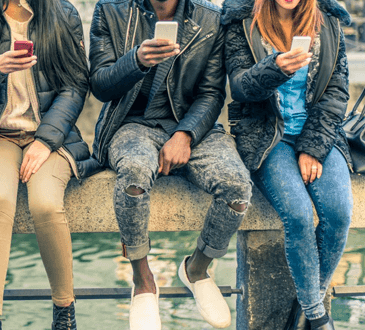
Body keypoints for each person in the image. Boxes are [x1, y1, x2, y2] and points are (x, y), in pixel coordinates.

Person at [86, 0, 253, 328]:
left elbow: (211, 94)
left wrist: (185, 134)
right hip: (130, 123)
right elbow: (100, 85)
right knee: (133, 175)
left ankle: (197, 268)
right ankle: (143, 278)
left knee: (237, 187)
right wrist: (135, 61)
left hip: (192, 125)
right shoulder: (111, 10)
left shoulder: (210, 17)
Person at [0, 0, 91, 329]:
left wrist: (45, 141)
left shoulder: (62, 13)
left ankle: (64, 310)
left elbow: (76, 84)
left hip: (50, 138)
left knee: (45, 205)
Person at [222, 0, 352, 328]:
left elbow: (336, 92)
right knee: (297, 214)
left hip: (318, 133)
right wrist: (275, 68)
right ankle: (317, 316)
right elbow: (239, 87)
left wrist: (312, 148)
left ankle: (307, 306)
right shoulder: (242, 22)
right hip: (268, 134)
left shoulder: (329, 23)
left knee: (338, 212)